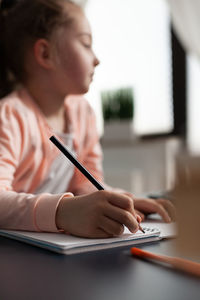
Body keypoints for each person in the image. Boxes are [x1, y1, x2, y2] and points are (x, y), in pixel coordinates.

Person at [0, 0, 175, 238]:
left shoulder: (83, 113)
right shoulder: (9, 116)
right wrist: (62, 212)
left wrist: (123, 199)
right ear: (45, 53)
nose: (96, 59)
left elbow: (85, 184)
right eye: (86, 44)